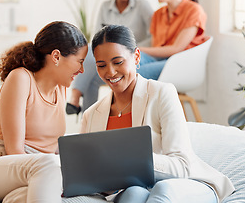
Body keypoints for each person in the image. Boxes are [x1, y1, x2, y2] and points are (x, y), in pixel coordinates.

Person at [81, 25, 235, 203]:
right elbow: (92, 177)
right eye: (101, 65)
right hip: (137, 189)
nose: (110, 72)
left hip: (186, 184)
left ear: (136, 56)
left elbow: (182, 165)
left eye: (118, 62)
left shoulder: (162, 93)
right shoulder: (91, 115)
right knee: (132, 194)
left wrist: (131, 161)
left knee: (163, 190)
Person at [0, 21, 88, 203]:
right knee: (51, 165)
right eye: (80, 62)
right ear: (56, 56)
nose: (82, 70)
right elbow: (14, 150)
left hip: (32, 174)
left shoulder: (61, 88)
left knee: (22, 198)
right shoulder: (21, 78)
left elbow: (50, 146)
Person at [66, 0, 154, 115]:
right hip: (110, 58)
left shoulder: (142, 5)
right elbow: (96, 39)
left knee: (91, 76)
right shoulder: (105, 7)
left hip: (134, 57)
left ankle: (75, 98)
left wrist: (129, 50)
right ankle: (89, 123)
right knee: (91, 73)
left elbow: (154, 37)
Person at [137, 0, 209, 80]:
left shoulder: (194, 10)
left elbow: (176, 49)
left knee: (136, 73)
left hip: (180, 63)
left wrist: (138, 49)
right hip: (159, 59)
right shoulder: (158, 14)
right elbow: (155, 45)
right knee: (125, 63)